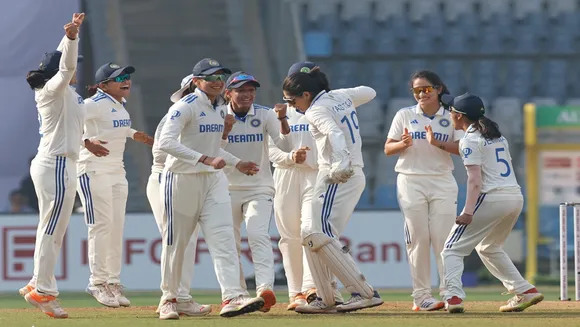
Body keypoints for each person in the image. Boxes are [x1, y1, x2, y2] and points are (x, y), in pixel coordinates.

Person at [156, 58, 265, 320]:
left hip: (213, 180)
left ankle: (233, 296)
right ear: (196, 82)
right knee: (177, 243)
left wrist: (236, 162)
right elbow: (165, 143)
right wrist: (203, 159)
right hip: (182, 179)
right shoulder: (185, 106)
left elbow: (214, 147)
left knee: (224, 238)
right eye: (211, 77)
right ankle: (169, 299)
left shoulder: (219, 109)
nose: (217, 81)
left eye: (220, 76)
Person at [19, 13, 106, 319]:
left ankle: (37, 283)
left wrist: (86, 143)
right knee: (52, 228)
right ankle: (43, 289)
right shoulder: (52, 89)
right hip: (55, 165)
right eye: (71, 66)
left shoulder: (67, 93)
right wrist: (70, 37)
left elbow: (69, 126)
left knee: (53, 228)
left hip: (61, 162)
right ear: (55, 72)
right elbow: (66, 67)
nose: (76, 70)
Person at [281, 67, 383, 313]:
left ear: (306, 94)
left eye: (292, 100)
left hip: (338, 175)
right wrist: (341, 97)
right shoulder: (339, 97)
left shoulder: (316, 110)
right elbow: (370, 92)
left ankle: (364, 292)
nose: (292, 107)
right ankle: (326, 298)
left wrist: (339, 163)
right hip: (341, 173)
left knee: (318, 231)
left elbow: (334, 133)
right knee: (311, 232)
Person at [440, 93, 544, 313]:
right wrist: (438, 144)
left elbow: (475, 180)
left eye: (451, 111)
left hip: (492, 197)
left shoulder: (470, 139)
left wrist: (468, 211)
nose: (449, 114)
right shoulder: (496, 136)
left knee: (451, 250)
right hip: (514, 197)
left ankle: (454, 297)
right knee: (489, 247)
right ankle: (525, 290)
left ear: (459, 116)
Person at [384, 70, 462, 311]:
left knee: (444, 239)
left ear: (438, 89)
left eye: (426, 89)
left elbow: (461, 148)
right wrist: (402, 144)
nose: (421, 94)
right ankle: (421, 297)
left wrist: (436, 143)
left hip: (442, 180)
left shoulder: (451, 116)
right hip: (410, 180)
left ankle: (450, 293)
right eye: (416, 90)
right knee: (418, 239)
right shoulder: (405, 115)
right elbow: (388, 148)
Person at [77, 62, 154, 308]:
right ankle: (97, 282)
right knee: (100, 226)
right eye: (118, 77)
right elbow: (65, 126)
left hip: (116, 169)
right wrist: (86, 141)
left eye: (126, 76)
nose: (125, 80)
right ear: (103, 85)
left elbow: (115, 126)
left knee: (116, 226)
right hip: (92, 169)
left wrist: (133, 134)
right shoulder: (92, 104)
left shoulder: (118, 104)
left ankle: (112, 282)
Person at [269, 61, 338, 310]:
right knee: (289, 237)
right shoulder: (277, 113)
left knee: (311, 232)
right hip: (287, 175)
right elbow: (270, 149)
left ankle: (313, 287)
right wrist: (289, 158)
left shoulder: (325, 108)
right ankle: (295, 292)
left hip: (316, 175)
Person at [220, 71, 291, 312]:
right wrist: (226, 132)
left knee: (258, 234)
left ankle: (264, 290)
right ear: (228, 93)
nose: (247, 94)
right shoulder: (217, 115)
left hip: (259, 187)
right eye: (241, 90)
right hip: (225, 188)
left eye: (251, 90)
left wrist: (282, 120)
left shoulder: (264, 114)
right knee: (229, 244)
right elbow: (208, 150)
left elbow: (284, 145)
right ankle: (238, 293)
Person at [146, 74, 211, 316]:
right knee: (174, 239)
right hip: (165, 177)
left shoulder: (205, 116)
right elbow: (162, 154)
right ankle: (169, 298)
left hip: (187, 179)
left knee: (188, 239)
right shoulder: (177, 114)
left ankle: (181, 296)